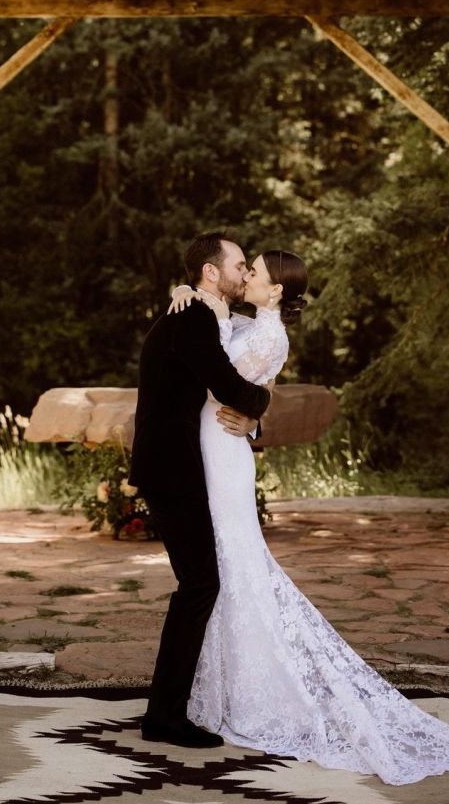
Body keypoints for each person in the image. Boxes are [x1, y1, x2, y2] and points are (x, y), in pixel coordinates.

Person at [166, 247, 449, 786]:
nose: (247, 273)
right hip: (209, 443)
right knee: (218, 570)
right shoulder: (243, 319)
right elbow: (213, 347)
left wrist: (255, 413)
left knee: (236, 563)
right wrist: (185, 293)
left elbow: (221, 382)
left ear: (275, 291)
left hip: (222, 450)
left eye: (255, 271)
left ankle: (258, 694)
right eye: (243, 266)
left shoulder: (271, 335)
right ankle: (219, 687)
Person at [128, 232, 271, 749]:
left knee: (198, 586)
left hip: (173, 467)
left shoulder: (197, 314)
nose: (241, 273)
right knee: (199, 587)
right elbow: (228, 385)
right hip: (172, 470)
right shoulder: (190, 319)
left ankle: (168, 709)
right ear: (211, 273)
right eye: (236, 265)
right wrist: (263, 402)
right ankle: (165, 717)